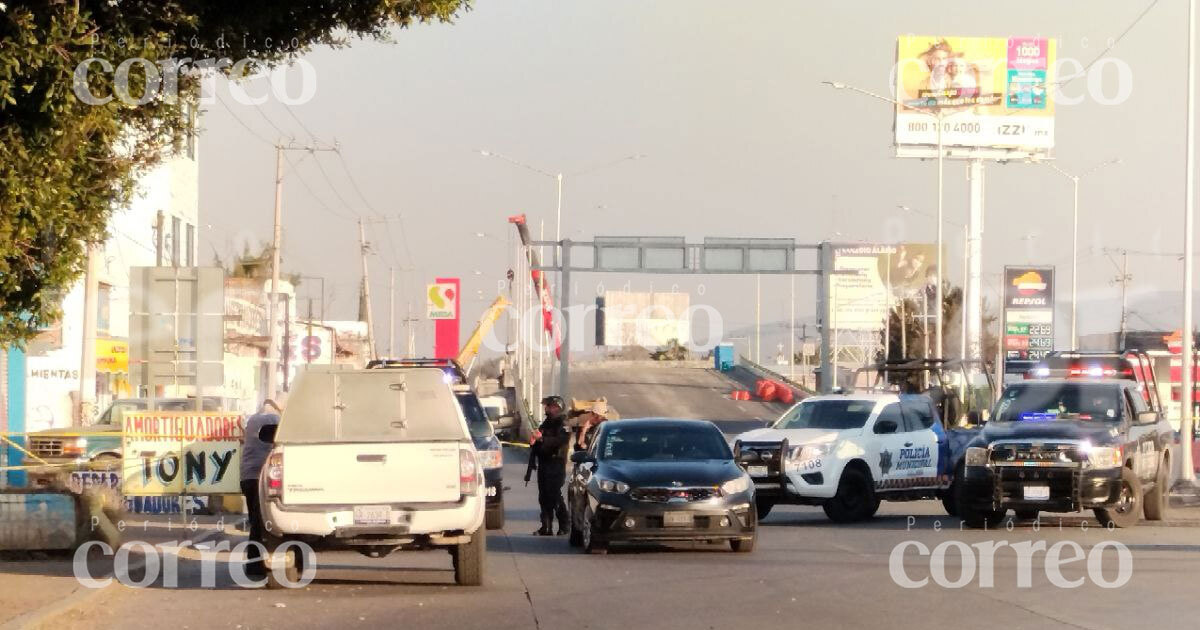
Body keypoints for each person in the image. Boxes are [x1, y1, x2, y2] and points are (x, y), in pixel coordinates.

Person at [240, 399, 282, 578]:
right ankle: (257, 565)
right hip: (262, 477)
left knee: (255, 521)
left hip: (247, 476)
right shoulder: (275, 420)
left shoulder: (252, 421)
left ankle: (254, 563)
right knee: (265, 523)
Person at [529, 395, 570, 536]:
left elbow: (561, 440)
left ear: (556, 407)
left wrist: (542, 439)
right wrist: (535, 439)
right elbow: (539, 437)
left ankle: (564, 525)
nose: (545, 408)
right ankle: (546, 527)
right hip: (544, 464)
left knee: (554, 496)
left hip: (556, 464)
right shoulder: (546, 422)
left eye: (548, 406)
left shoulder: (563, 423)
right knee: (544, 496)